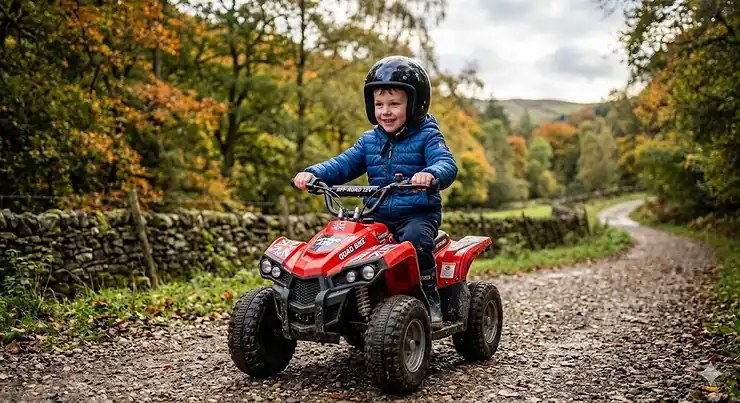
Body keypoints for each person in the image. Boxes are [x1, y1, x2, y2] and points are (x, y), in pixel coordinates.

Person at [292, 55, 458, 327]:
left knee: (416, 242)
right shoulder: (369, 140)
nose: (386, 112)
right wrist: (314, 173)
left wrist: (431, 174)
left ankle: (431, 300)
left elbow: (446, 163)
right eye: (379, 104)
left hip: (416, 214)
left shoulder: (428, 135)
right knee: (344, 241)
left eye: (395, 104)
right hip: (376, 213)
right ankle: (340, 300)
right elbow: (343, 164)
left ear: (415, 105)